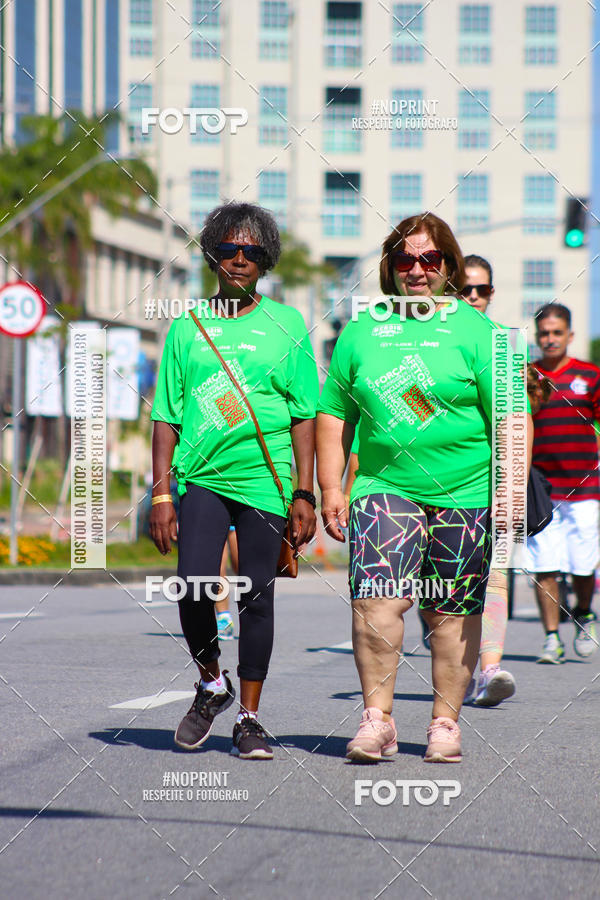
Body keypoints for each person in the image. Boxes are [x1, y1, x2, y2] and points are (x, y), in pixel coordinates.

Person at [317, 212, 511, 764]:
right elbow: (334, 415)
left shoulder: (480, 333)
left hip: (465, 490)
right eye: (406, 259)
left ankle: (444, 723)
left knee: (451, 613)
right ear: (390, 268)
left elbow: (510, 418)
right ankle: (377, 719)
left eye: (430, 259)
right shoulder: (361, 331)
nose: (418, 270)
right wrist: (331, 487)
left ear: (448, 266)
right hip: (383, 484)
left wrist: (509, 491)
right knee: (377, 600)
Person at [150, 202, 318, 759]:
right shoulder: (187, 326)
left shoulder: (287, 325)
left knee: (258, 598)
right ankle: (210, 683)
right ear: (212, 256)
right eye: (228, 249)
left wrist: (303, 492)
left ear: (265, 259)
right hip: (202, 476)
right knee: (192, 582)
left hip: (265, 483)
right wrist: (162, 492)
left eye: (250, 251)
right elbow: (167, 416)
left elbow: (303, 415)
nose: (239, 259)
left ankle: (249, 718)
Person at [525, 302, 600, 663]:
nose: (550, 339)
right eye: (544, 333)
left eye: (557, 332)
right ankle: (551, 638)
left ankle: (585, 612)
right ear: (537, 337)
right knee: (545, 565)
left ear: (569, 335)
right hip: (542, 488)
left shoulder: (591, 375)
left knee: (583, 565)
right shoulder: (527, 377)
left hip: (585, 489)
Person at [459, 255, 517, 706]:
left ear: (491, 294)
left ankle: (490, 669)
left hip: (496, 482)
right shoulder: (433, 340)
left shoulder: (503, 344)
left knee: (495, 576)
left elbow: (519, 418)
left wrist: (511, 485)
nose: (473, 297)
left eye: (481, 290)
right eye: (465, 289)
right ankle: (457, 667)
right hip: (442, 486)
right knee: (442, 589)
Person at [216, 527, 239, 640]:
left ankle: (253, 614)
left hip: (240, 512)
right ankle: (223, 618)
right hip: (216, 511)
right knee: (217, 567)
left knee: (241, 565)